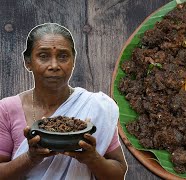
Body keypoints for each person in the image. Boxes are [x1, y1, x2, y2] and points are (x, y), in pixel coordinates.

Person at [0, 23, 127, 179]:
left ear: (73, 61)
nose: (54, 65)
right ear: (28, 62)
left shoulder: (95, 107)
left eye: (63, 56)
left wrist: (93, 158)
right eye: (43, 56)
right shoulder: (7, 109)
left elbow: (118, 173)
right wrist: (30, 158)